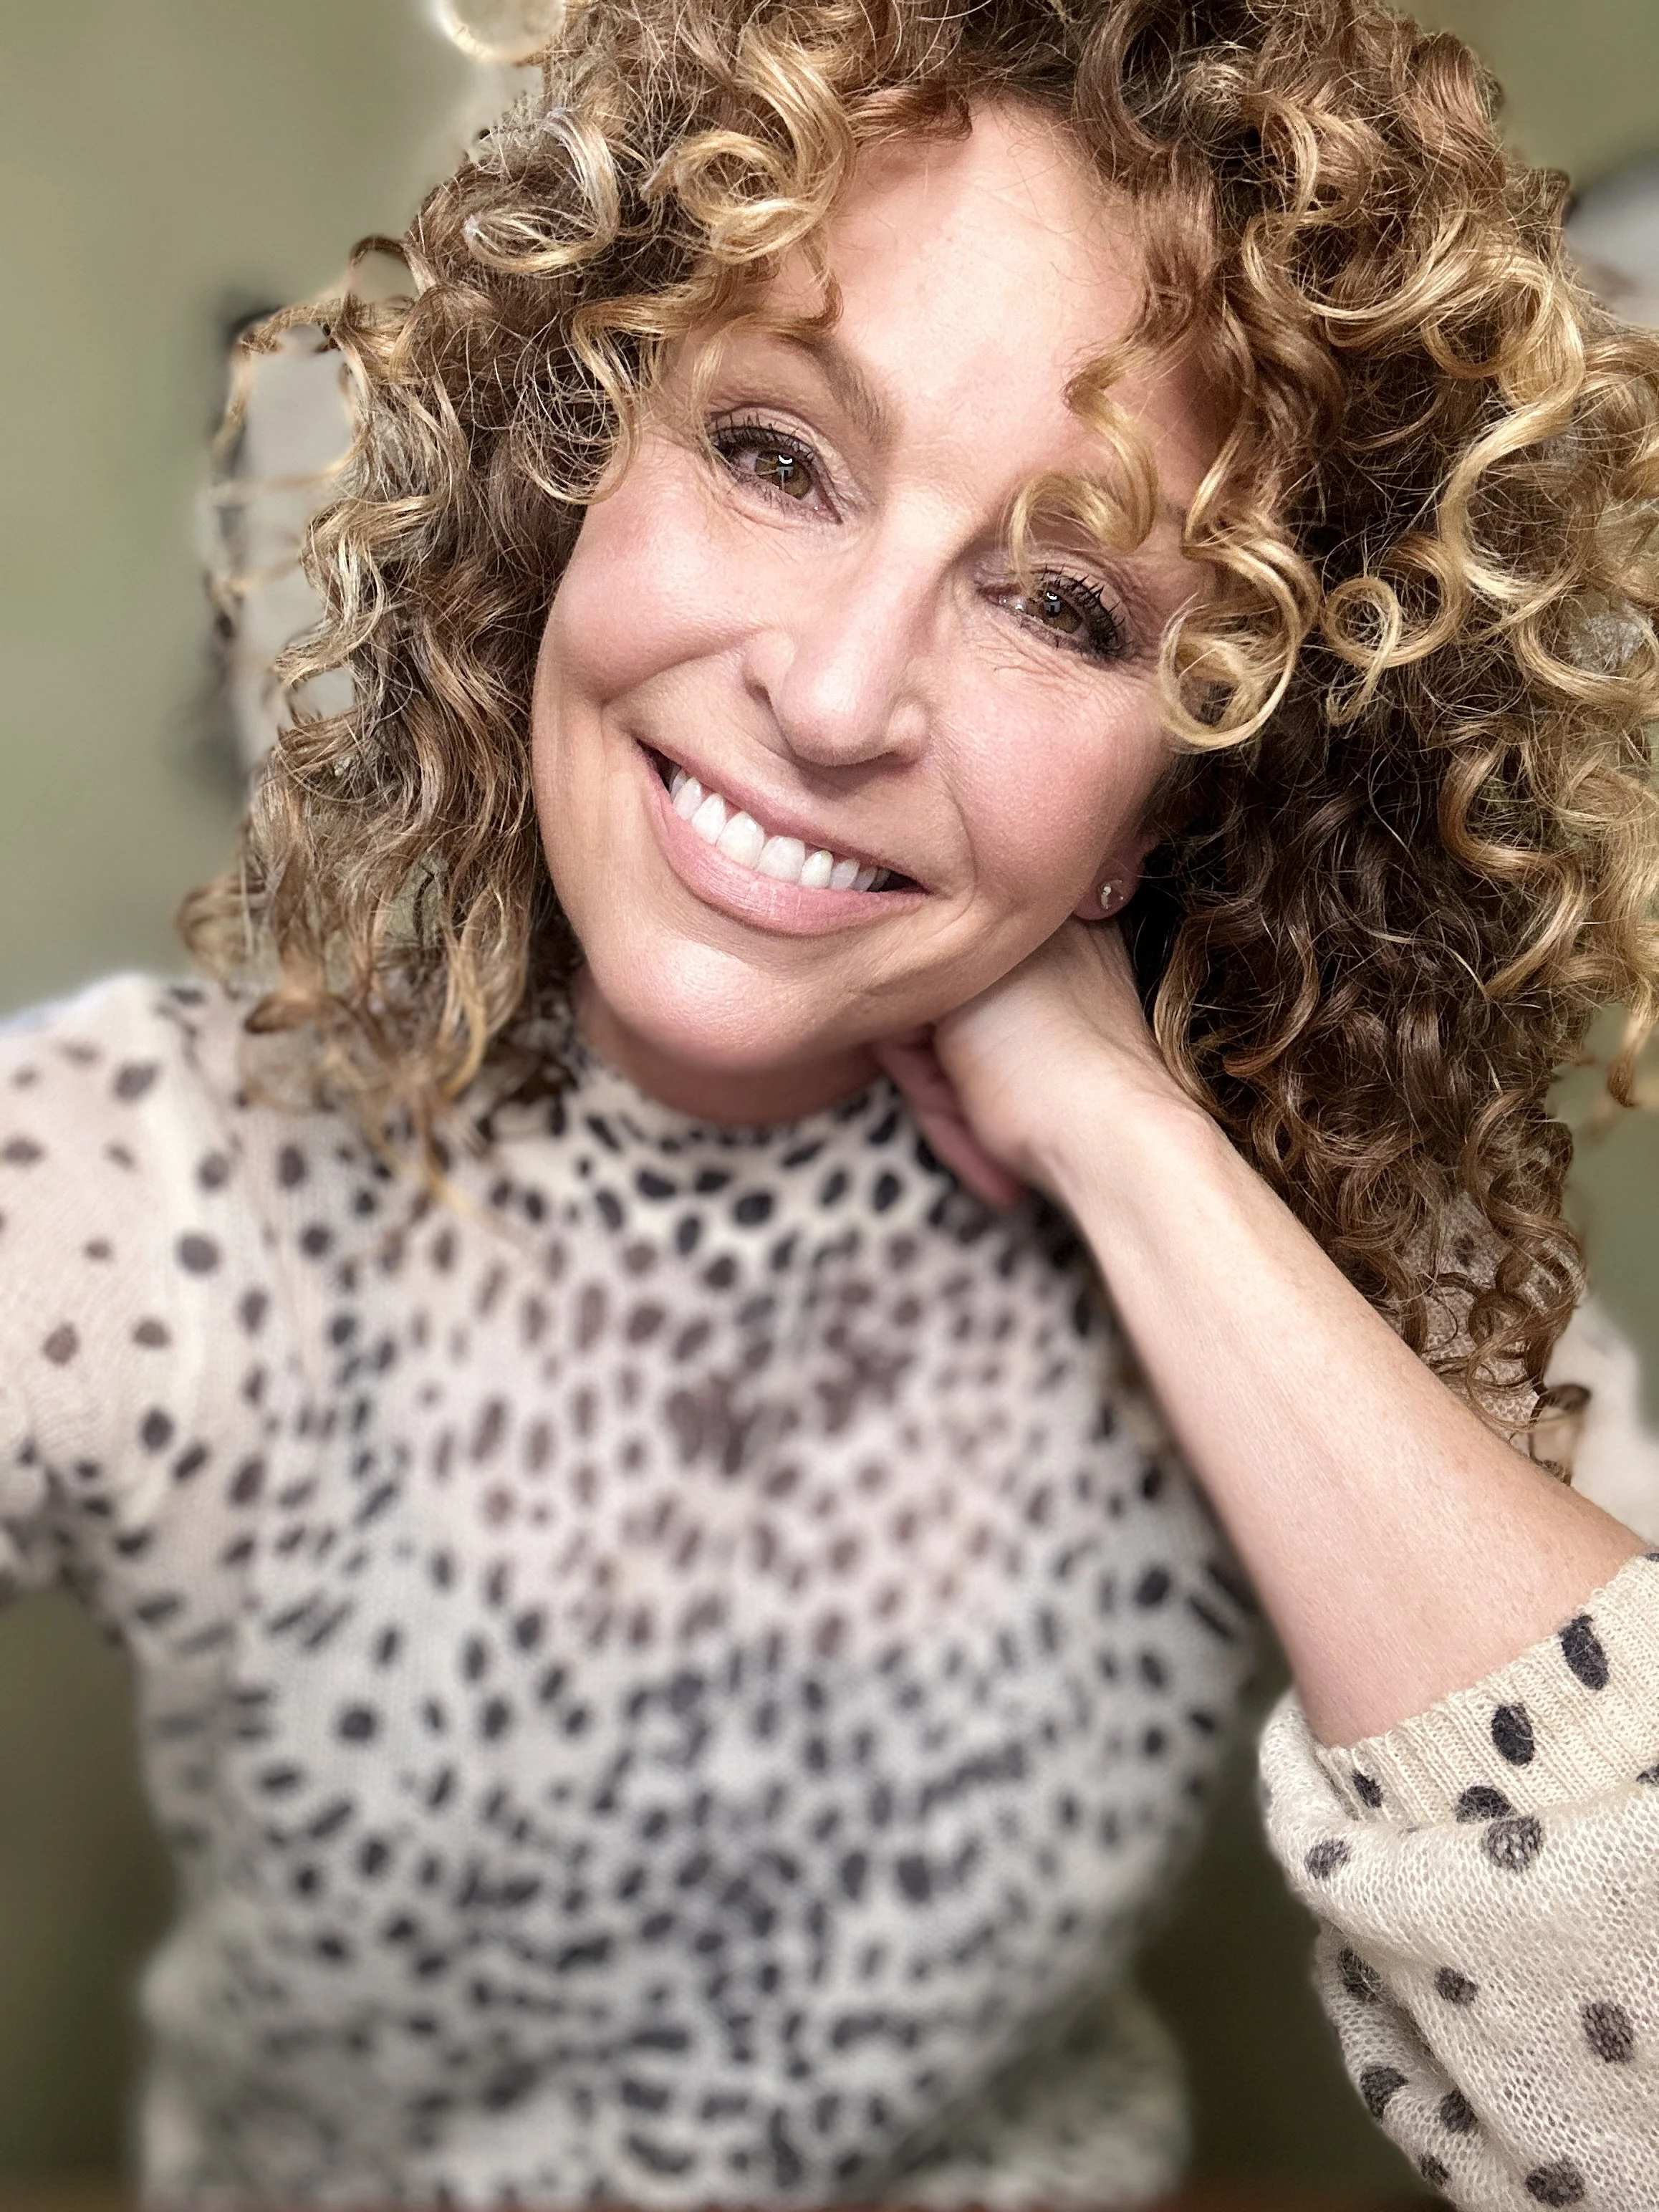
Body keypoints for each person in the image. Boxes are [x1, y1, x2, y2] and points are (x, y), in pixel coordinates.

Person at [3, 0, 1658, 2205]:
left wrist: (1125, 1140)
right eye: (777, 454)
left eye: (1064, 606)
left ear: (1193, 779)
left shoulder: (1339, 1255)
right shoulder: (165, 1173)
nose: (840, 691)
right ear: (574, 452)